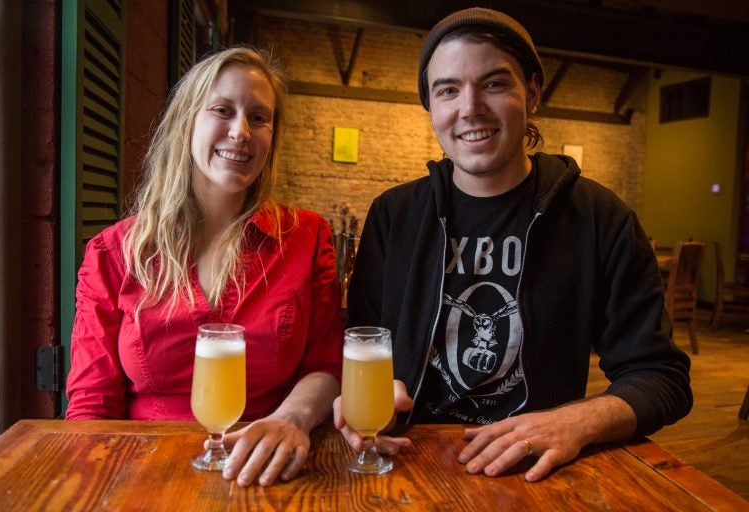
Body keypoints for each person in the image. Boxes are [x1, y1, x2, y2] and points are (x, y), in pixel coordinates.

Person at [335, 7, 692, 482]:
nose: (469, 108)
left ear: (533, 93)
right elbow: (362, 340)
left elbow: (662, 377)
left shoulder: (600, 219)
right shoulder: (394, 215)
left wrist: (577, 420)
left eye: (495, 84)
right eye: (448, 90)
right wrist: (363, 396)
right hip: (406, 458)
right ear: (432, 109)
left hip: (531, 467)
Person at [65, 46, 343, 487]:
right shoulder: (114, 251)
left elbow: (326, 362)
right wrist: (97, 486)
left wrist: (293, 418)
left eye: (258, 117)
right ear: (186, 121)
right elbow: (91, 402)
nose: (241, 132)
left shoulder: (306, 236)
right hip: (142, 470)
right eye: (222, 110)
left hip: (269, 469)